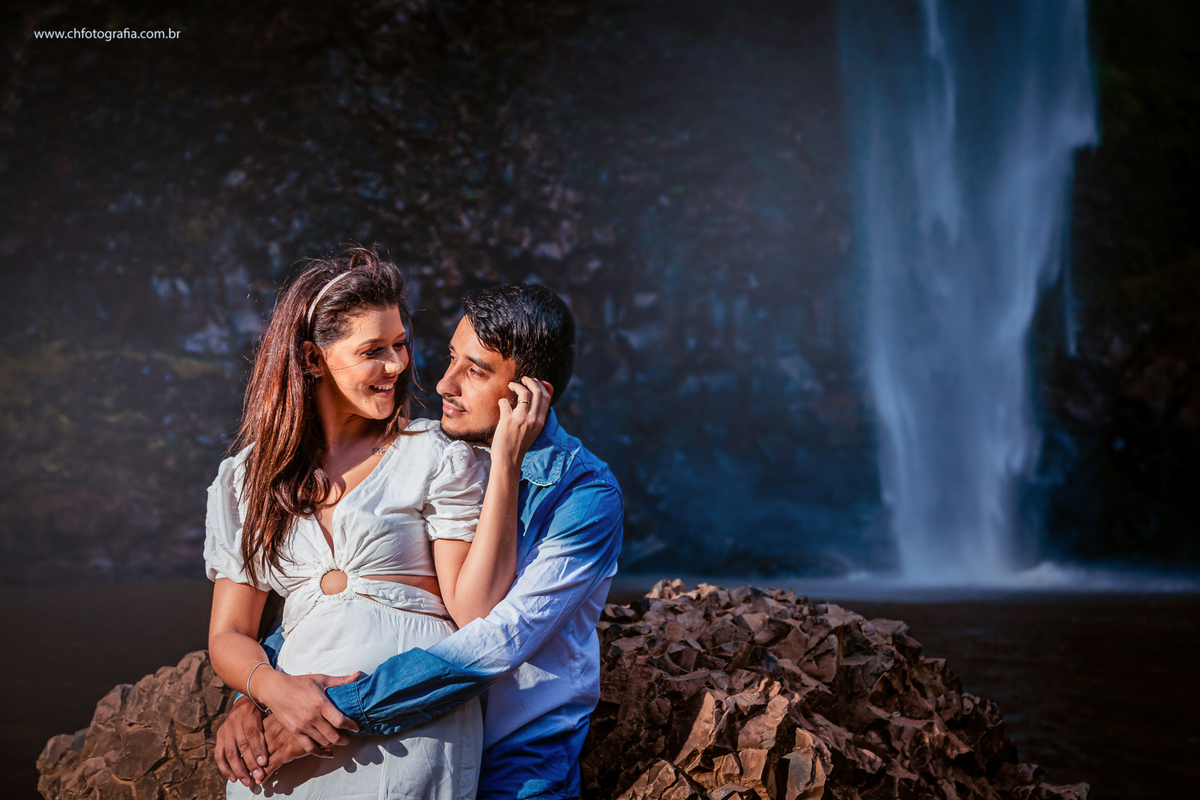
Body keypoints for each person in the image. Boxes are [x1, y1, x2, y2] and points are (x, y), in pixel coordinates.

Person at [216, 283, 625, 800]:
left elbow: (495, 639)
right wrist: (253, 697)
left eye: (475, 371)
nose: (443, 384)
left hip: (518, 758)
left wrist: (337, 709)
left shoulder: (584, 497)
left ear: (530, 394)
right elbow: (340, 597)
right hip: (396, 730)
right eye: (452, 359)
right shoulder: (445, 457)